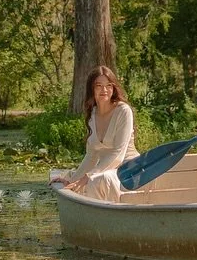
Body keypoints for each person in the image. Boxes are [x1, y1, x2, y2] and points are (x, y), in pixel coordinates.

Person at [51, 66, 138, 202]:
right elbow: (91, 155)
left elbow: (118, 154)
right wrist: (72, 181)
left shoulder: (123, 111)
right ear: (92, 89)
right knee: (96, 179)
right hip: (104, 171)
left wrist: (89, 175)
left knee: (98, 179)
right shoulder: (92, 114)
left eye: (109, 85)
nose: (104, 90)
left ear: (114, 88)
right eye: (99, 86)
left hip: (129, 170)